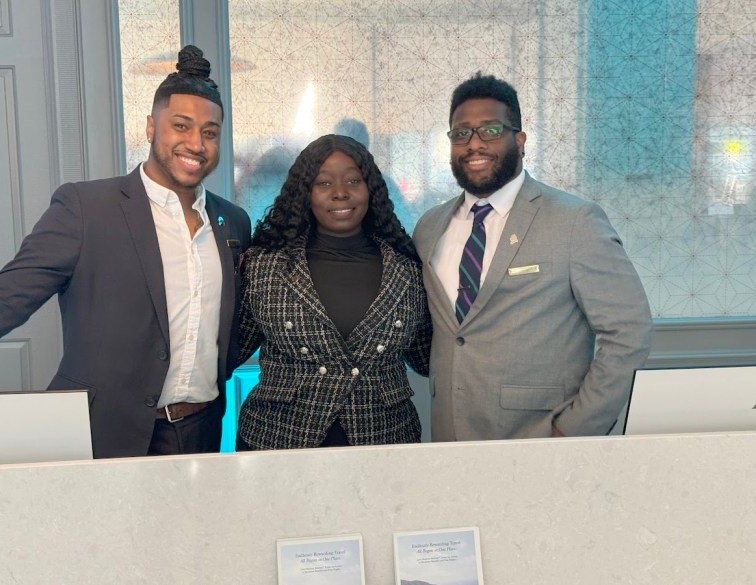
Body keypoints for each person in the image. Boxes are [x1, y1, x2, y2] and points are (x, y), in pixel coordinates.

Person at [0, 46, 251, 458]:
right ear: (150, 127)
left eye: (209, 132)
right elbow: (4, 299)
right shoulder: (86, 209)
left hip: (201, 431)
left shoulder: (233, 221)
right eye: (181, 126)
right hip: (102, 433)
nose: (196, 143)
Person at [413, 72, 653, 441]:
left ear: (520, 140)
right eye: (461, 133)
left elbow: (629, 333)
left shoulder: (576, 221)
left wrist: (574, 429)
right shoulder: (430, 229)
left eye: (491, 130)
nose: (474, 144)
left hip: (542, 441)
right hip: (450, 440)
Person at [235, 134, 432, 450]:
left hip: (385, 442)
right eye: (324, 183)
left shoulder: (408, 270)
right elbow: (229, 352)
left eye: (353, 180)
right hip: (277, 443)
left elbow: (426, 360)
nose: (340, 193)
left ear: (371, 189)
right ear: (306, 194)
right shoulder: (264, 266)